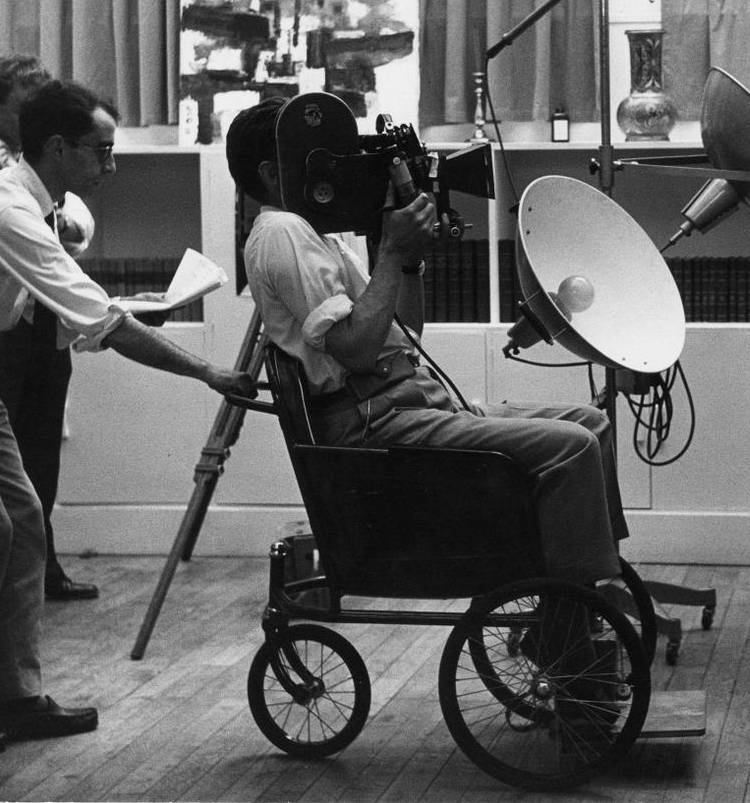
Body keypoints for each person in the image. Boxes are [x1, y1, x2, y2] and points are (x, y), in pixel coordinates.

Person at [0, 80, 257, 756]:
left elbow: (82, 309)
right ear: (58, 148)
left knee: (23, 519)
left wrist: (124, 317)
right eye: (101, 151)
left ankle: (16, 698)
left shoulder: (35, 205)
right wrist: (207, 371)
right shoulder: (7, 210)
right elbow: (101, 322)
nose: (110, 166)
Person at [224, 96, 628, 589]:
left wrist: (406, 257)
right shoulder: (281, 231)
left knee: (591, 423)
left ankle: (591, 584)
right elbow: (357, 350)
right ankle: (575, 606)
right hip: (376, 422)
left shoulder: (313, 232)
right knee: (572, 446)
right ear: (271, 172)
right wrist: (391, 251)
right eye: (311, 157)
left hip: (403, 403)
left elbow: (406, 333)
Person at [0, 55, 100, 601]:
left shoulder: (47, 158)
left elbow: (78, 222)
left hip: (39, 316)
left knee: (40, 445)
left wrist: (66, 224)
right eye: (25, 106)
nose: (34, 116)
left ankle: (43, 564)